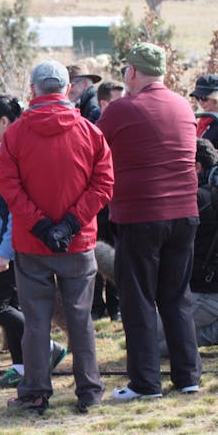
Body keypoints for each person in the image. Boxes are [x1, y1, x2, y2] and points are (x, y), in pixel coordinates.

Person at [0, 61, 113, 414]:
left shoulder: (15, 134)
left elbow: (9, 187)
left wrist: (43, 226)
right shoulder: (89, 132)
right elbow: (104, 184)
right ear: (65, 89)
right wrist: (69, 225)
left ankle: (35, 392)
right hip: (76, 244)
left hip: (32, 243)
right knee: (80, 319)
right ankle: (89, 390)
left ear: (33, 90)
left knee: (35, 321)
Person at [97, 42, 202, 401]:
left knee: (138, 299)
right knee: (176, 297)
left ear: (131, 72)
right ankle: (188, 376)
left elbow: (96, 151)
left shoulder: (120, 109)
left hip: (140, 215)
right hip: (185, 214)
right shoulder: (182, 105)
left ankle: (145, 383)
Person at [0, 94, 67, 390]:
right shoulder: (6, 148)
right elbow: (1, 196)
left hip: (12, 247)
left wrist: (4, 253)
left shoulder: (12, 151)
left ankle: (46, 346)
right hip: (9, 244)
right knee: (10, 303)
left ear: (4, 121)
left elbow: (17, 207)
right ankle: (21, 366)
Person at [155, 139, 218, 355]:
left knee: (151, 346)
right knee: (148, 337)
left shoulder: (198, 199)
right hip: (211, 286)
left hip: (209, 291)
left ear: (196, 167)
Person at [90, 79, 125, 322]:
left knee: (117, 253)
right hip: (97, 204)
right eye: (117, 100)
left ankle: (116, 307)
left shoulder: (126, 128)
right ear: (104, 103)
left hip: (120, 201)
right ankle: (95, 306)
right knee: (93, 255)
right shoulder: (93, 131)